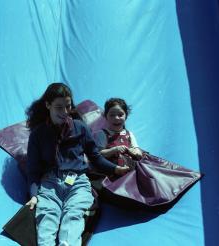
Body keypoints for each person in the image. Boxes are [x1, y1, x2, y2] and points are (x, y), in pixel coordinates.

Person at [24, 83, 130, 246]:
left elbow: (95, 157)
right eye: (59, 107)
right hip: (50, 183)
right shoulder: (39, 134)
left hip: (78, 182)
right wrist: (33, 195)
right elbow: (33, 169)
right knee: (48, 216)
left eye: (68, 106)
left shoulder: (79, 128)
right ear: (48, 105)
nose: (65, 112)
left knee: (73, 215)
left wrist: (116, 169)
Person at [94, 98, 143, 166]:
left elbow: (137, 149)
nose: (116, 118)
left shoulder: (129, 134)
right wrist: (114, 150)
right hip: (112, 170)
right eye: (112, 115)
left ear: (126, 116)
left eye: (120, 115)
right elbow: (99, 154)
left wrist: (136, 152)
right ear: (106, 116)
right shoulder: (102, 134)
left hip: (131, 169)